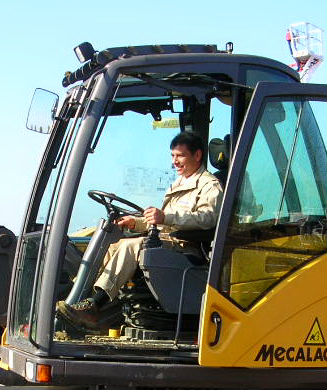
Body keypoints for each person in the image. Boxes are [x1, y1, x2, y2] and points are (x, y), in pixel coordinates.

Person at [58, 131, 222, 331]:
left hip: (187, 247)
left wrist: (166, 217)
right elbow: (161, 222)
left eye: (180, 156)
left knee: (132, 246)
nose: (175, 161)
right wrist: (135, 222)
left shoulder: (209, 185)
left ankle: (95, 306)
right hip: (167, 241)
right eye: (172, 156)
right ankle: (78, 296)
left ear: (197, 155)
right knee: (112, 245)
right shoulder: (179, 183)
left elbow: (208, 218)